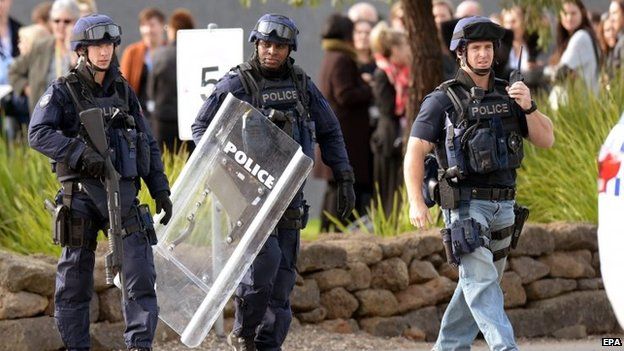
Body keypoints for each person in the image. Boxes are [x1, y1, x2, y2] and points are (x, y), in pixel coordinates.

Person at [191, 13, 355, 351]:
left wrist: (344, 174)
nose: (271, 51)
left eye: (278, 46)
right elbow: (201, 129)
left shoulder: (300, 84)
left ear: (289, 49)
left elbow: (329, 129)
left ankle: (267, 345)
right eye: (266, 44)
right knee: (263, 264)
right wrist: (228, 166)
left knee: (282, 278)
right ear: (257, 44)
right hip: (247, 193)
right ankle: (244, 332)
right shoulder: (238, 83)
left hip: (288, 194)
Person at [404, 16, 554, 350]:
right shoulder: (442, 100)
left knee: (476, 286)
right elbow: (415, 150)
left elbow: (546, 140)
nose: (484, 54)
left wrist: (529, 107)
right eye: (476, 48)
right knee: (483, 283)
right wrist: (416, 201)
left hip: (505, 207)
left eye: (488, 47)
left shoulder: (510, 94)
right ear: (461, 53)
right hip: (465, 207)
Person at [28, 14, 172, 351]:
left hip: (121, 194)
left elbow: (146, 140)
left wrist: (160, 187)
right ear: (82, 50)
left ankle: (139, 345)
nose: (104, 52)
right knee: (74, 282)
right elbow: (38, 133)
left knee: (139, 273)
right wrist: (78, 153)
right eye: (96, 46)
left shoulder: (123, 89)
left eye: (108, 44)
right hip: (79, 196)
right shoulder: (63, 91)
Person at [317, 13, 373, 230]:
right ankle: (333, 231)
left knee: (336, 187)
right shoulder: (342, 58)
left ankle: (327, 231)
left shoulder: (330, 55)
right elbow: (345, 94)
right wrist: (368, 88)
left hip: (338, 135)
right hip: (347, 137)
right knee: (342, 187)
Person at [10, 0, 79, 114]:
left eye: (67, 21)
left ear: (76, 22)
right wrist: (29, 90)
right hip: (44, 115)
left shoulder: (82, 49)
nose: (61, 25)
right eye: (56, 21)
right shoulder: (41, 47)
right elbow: (14, 71)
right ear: (51, 22)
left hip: (73, 117)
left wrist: (72, 50)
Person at [370, 21, 410, 213]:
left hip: (401, 135)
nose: (408, 50)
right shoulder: (383, 74)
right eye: (405, 46)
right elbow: (387, 109)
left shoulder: (403, 74)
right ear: (394, 49)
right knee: (389, 191)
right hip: (389, 139)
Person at [147, 8, 195, 151]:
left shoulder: (159, 55)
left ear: (173, 30)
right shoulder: (197, 55)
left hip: (163, 120)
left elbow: (151, 91)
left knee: (163, 165)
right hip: (190, 122)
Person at [546, 0, 600, 101]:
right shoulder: (574, 38)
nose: (569, 18)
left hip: (579, 107)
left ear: (582, 13)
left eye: (573, 13)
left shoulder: (580, 37)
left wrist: (544, 72)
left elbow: (560, 74)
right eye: (565, 13)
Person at [120, 7, 166, 115]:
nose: (148, 30)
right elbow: (123, 83)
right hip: (140, 113)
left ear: (162, 26)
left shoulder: (171, 52)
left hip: (165, 114)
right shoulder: (132, 52)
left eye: (152, 25)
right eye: (144, 25)